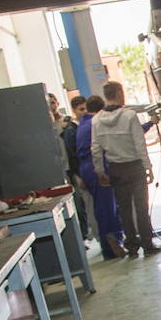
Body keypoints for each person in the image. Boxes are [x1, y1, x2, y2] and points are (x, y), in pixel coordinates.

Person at [91, 81, 160, 256]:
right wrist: (148, 167)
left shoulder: (96, 120)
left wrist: (100, 171)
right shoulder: (129, 116)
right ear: (120, 93)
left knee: (124, 210)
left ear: (106, 96)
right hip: (135, 167)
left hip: (115, 169)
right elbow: (140, 144)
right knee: (141, 208)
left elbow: (95, 149)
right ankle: (147, 244)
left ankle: (131, 246)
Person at [76, 95, 125, 260]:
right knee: (108, 209)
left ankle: (111, 243)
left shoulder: (82, 124)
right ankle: (111, 245)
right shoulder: (95, 123)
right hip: (97, 167)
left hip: (85, 168)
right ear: (100, 109)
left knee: (101, 208)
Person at [60, 95, 91, 241]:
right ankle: (86, 235)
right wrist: (76, 176)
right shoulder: (71, 131)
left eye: (86, 108)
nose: (84, 112)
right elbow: (72, 155)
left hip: (87, 170)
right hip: (79, 172)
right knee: (84, 206)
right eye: (81, 109)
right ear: (74, 110)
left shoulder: (82, 127)